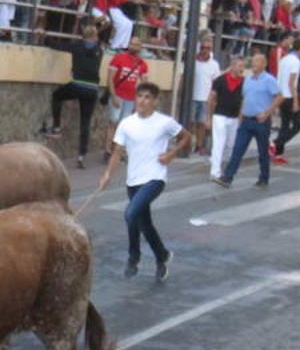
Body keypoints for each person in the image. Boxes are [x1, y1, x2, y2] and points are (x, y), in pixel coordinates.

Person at [98, 82, 190, 282]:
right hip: (134, 180)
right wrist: (107, 174)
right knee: (144, 223)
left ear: (155, 101)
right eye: (140, 96)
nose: (142, 100)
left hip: (155, 178)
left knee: (131, 214)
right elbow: (117, 152)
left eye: (148, 97)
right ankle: (162, 256)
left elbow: (186, 137)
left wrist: (171, 154)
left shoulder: (164, 122)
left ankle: (134, 257)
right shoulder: (126, 123)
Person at [216, 52, 283, 189]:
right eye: (252, 61)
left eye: (256, 62)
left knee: (262, 151)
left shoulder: (269, 80)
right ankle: (228, 177)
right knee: (238, 149)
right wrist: (240, 117)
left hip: (261, 121)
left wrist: (267, 112)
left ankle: (264, 177)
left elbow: (279, 97)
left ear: (264, 64)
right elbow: (244, 100)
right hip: (246, 120)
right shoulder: (248, 80)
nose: (253, 64)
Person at [43, 23, 104, 169]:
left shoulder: (77, 46)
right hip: (92, 89)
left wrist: (44, 37)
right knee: (85, 123)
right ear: (95, 37)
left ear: (83, 37)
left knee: (57, 96)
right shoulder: (99, 50)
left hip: (78, 85)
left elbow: (57, 45)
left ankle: (57, 128)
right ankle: (81, 156)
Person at [105, 34, 148, 159]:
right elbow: (110, 79)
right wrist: (113, 96)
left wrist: (139, 101)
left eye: (136, 44)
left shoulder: (142, 64)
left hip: (130, 98)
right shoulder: (119, 58)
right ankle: (108, 150)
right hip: (117, 95)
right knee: (113, 122)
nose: (133, 46)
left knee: (124, 125)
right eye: (131, 44)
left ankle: (117, 150)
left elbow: (144, 84)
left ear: (140, 47)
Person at [207, 53, 246, 182]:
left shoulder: (244, 82)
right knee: (219, 142)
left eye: (243, 66)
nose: (242, 69)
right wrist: (209, 117)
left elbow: (243, 101)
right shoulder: (220, 80)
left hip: (234, 117)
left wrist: (241, 116)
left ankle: (221, 163)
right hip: (220, 115)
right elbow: (211, 98)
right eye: (240, 66)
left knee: (231, 144)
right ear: (232, 66)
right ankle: (215, 171)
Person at [270, 35, 300, 164]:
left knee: (284, 125)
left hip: (281, 96)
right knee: (296, 126)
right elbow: (292, 82)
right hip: (289, 96)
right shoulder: (296, 61)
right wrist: (295, 101)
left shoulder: (284, 59)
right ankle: (275, 143)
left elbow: (279, 77)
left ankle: (278, 154)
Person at [190, 34, 221, 155]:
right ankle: (188, 143)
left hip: (205, 98)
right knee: (190, 122)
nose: (205, 50)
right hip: (192, 97)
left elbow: (216, 83)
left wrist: (214, 100)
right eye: (203, 47)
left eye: (208, 48)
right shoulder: (192, 61)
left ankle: (199, 145)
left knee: (202, 124)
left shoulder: (214, 65)